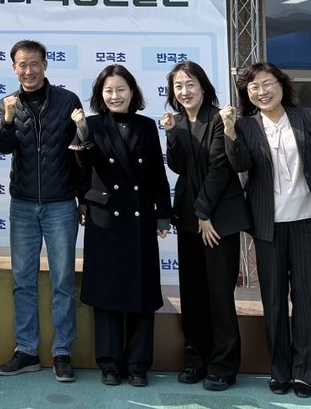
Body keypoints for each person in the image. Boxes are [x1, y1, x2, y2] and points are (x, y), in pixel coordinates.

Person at [222, 61, 311, 399]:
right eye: (254, 87)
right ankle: (280, 371)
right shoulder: (246, 126)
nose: (262, 92)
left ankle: (308, 372)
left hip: (308, 222)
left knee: (307, 299)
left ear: (281, 84)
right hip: (268, 226)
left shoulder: (307, 117)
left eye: (267, 84)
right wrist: (230, 131)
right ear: (247, 94)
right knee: (274, 301)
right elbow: (240, 165)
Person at [73, 64, 173, 387]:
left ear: (132, 92)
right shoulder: (90, 125)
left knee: (142, 291)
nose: (115, 96)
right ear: (100, 95)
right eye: (108, 91)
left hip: (140, 217)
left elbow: (157, 173)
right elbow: (80, 167)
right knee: (107, 293)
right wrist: (82, 137)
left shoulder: (146, 126)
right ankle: (110, 364)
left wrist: (163, 213)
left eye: (120, 89)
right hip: (104, 219)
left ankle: (139, 365)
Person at [0, 39, 82, 383]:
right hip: (23, 205)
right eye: (22, 65)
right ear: (14, 68)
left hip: (61, 203)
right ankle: (27, 350)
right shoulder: (6, 104)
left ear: (45, 65)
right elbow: (2, 146)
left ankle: (62, 352)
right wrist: (9, 119)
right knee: (23, 281)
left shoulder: (67, 101)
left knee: (62, 281)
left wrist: (83, 199)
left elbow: (81, 150)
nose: (28, 70)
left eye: (34, 64)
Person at [160, 61, 250, 393]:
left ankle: (224, 366)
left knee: (219, 294)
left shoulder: (219, 118)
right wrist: (171, 134)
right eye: (178, 86)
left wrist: (204, 214)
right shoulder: (179, 121)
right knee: (193, 292)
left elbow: (220, 169)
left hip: (218, 221)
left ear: (203, 86)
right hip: (190, 220)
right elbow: (178, 166)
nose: (184, 91)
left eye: (190, 84)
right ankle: (196, 357)